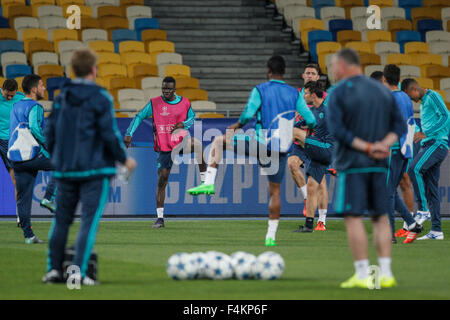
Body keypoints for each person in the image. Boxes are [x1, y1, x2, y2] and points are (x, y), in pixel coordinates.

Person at [187, 55, 316, 247]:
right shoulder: (294, 94)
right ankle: (270, 236)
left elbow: (248, 113)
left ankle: (209, 182)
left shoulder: (261, 90)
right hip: (280, 150)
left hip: (261, 145)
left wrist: (237, 125)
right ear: (284, 72)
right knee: (275, 193)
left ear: (268, 71)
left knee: (219, 141)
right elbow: (310, 119)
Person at [42, 48, 136, 285]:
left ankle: (53, 271)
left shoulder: (61, 97)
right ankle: (79, 275)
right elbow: (109, 133)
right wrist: (124, 159)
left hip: (65, 170)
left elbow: (49, 133)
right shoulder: (101, 97)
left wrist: (59, 158)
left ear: (72, 70)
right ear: (94, 70)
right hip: (95, 169)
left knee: (61, 221)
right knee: (88, 222)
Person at [327, 49, 406, 289]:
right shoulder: (382, 90)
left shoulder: (338, 92)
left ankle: (362, 274)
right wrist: (384, 145)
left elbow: (338, 131)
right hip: (380, 166)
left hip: (352, 166)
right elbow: (400, 126)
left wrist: (368, 146)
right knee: (380, 217)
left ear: (342, 65)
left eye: (332, 65)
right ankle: (386, 273)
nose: (332, 70)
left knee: (353, 218)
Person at [124, 76, 206, 228]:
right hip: (164, 146)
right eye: (164, 88)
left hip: (181, 142)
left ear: (174, 90)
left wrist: (183, 123)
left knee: (198, 145)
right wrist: (129, 133)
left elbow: (192, 117)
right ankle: (160, 218)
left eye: (168, 89)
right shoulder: (154, 103)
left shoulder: (184, 102)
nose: (166, 91)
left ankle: (205, 181)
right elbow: (139, 116)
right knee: (162, 180)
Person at [7, 74, 57, 244]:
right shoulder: (36, 106)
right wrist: (48, 146)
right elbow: (35, 129)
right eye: (42, 85)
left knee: (23, 197)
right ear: (34, 89)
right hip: (32, 155)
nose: (44, 88)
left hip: (16, 157)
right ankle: (48, 198)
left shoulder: (16, 106)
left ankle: (29, 235)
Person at [401, 78, 450, 241]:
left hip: (436, 144)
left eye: (410, 95)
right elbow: (432, 122)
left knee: (413, 169)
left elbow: (446, 117)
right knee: (431, 190)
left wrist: (427, 134)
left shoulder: (433, 96)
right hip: (428, 144)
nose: (411, 99)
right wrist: (419, 132)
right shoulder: (423, 102)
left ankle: (422, 210)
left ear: (415, 88)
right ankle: (436, 230)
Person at [381, 65, 423, 244]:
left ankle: (389, 235)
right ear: (398, 80)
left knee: (387, 193)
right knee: (391, 191)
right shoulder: (405, 98)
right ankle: (412, 224)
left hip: (392, 149)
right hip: (405, 150)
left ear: (384, 80)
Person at [287, 64, 330, 226]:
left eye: (313, 73)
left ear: (318, 77)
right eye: (308, 73)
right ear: (303, 76)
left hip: (317, 141)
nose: (310, 75)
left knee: (320, 182)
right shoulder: (296, 95)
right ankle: (306, 198)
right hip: (300, 143)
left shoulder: (325, 97)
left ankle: (322, 220)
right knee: (292, 165)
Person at [0, 79, 25, 227]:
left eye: (11, 96)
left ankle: (20, 217)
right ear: (2, 88)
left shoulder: (21, 98)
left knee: (16, 179)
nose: (9, 98)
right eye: (6, 95)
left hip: (10, 142)